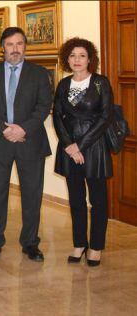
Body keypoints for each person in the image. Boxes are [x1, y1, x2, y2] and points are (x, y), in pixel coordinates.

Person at [0, 27, 53, 262]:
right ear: (2, 47)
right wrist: (5, 129)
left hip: (29, 141)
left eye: (19, 44)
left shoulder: (40, 74)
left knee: (32, 194)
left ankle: (30, 243)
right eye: (10, 44)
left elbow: (43, 105)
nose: (15, 49)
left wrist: (22, 129)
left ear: (25, 46)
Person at [52, 37, 114, 267]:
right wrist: (69, 145)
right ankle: (79, 244)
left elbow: (105, 117)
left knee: (98, 201)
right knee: (76, 200)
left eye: (82, 55)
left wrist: (81, 145)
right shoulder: (64, 84)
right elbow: (57, 116)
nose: (77, 60)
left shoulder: (100, 83)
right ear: (67, 59)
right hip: (69, 149)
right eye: (72, 55)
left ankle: (96, 247)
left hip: (94, 148)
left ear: (90, 59)